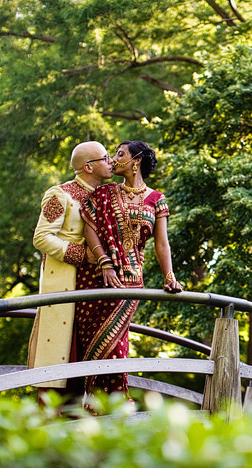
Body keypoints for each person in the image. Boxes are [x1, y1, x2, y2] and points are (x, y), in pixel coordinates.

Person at [66, 140, 182, 407]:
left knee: (117, 347)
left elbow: (161, 243)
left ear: (136, 160)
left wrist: (169, 277)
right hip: (96, 280)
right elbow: (89, 227)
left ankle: (114, 408)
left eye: (119, 155)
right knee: (91, 345)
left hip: (130, 282)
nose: (113, 160)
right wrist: (104, 262)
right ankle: (88, 409)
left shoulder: (156, 199)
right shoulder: (104, 192)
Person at [27, 141, 114, 401]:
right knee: (59, 362)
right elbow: (41, 238)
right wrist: (82, 255)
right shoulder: (59, 194)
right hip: (64, 285)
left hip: (94, 287)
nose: (111, 161)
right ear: (88, 166)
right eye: (105, 157)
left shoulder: (106, 196)